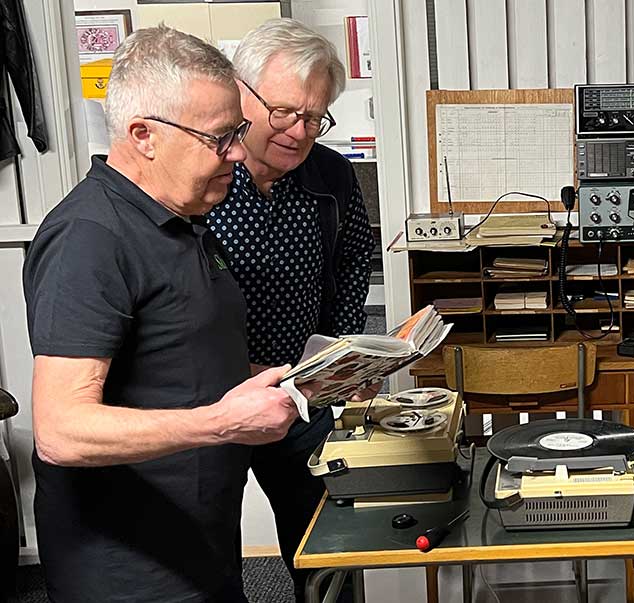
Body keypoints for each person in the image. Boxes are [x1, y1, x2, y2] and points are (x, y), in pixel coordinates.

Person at [23, 26, 299, 602]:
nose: (237, 153)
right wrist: (221, 423)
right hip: (131, 572)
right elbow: (61, 431)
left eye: (238, 132)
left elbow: (179, 358)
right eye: (219, 138)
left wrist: (287, 380)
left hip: (200, 543)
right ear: (143, 135)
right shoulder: (89, 238)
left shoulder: (184, 219)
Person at [205, 18, 377, 597]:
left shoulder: (330, 174)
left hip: (303, 396)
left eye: (314, 117)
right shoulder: (201, 178)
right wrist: (233, 372)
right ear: (241, 93)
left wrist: (344, 350)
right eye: (283, 112)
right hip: (215, 400)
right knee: (208, 557)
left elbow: (354, 257)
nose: (299, 132)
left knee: (326, 549)